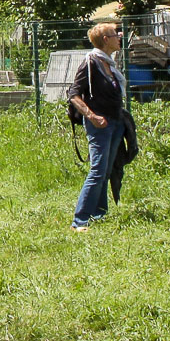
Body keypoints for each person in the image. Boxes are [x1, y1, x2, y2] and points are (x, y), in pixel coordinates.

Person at [66, 22, 129, 232]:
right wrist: (91, 116)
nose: (119, 36)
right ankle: (80, 220)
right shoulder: (91, 62)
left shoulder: (109, 63)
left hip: (116, 122)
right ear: (105, 39)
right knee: (97, 171)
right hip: (99, 125)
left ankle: (99, 213)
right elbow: (73, 94)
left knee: (106, 171)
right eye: (115, 34)